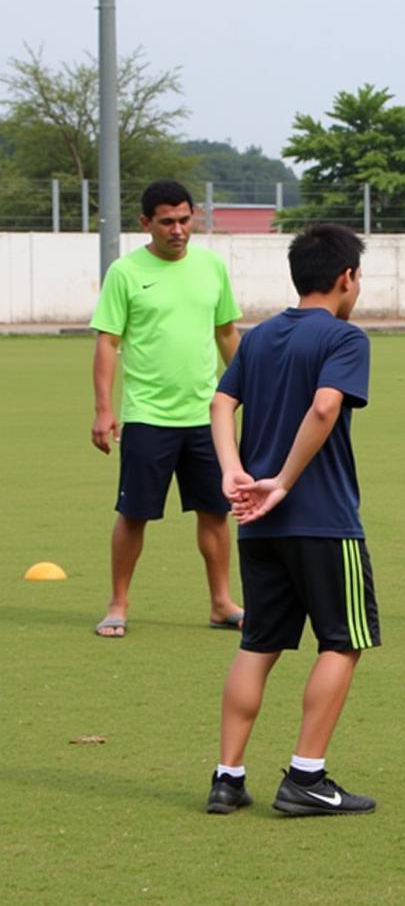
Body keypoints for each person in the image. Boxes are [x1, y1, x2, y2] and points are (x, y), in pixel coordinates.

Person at [205, 223, 379, 817]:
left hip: (256, 523)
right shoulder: (345, 339)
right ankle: (307, 776)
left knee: (258, 645)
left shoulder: (259, 338)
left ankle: (227, 777)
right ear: (345, 278)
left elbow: (221, 402)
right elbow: (326, 405)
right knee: (343, 642)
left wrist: (234, 470)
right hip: (323, 520)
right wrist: (281, 480)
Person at [90, 179, 244, 638]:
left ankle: (221, 603)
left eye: (184, 219)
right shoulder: (125, 272)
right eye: (166, 222)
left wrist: (250, 388)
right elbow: (107, 342)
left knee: (215, 512)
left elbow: (226, 334)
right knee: (134, 513)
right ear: (146, 223)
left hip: (205, 416)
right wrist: (103, 409)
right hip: (146, 416)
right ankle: (118, 604)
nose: (177, 230)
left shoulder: (212, 267)